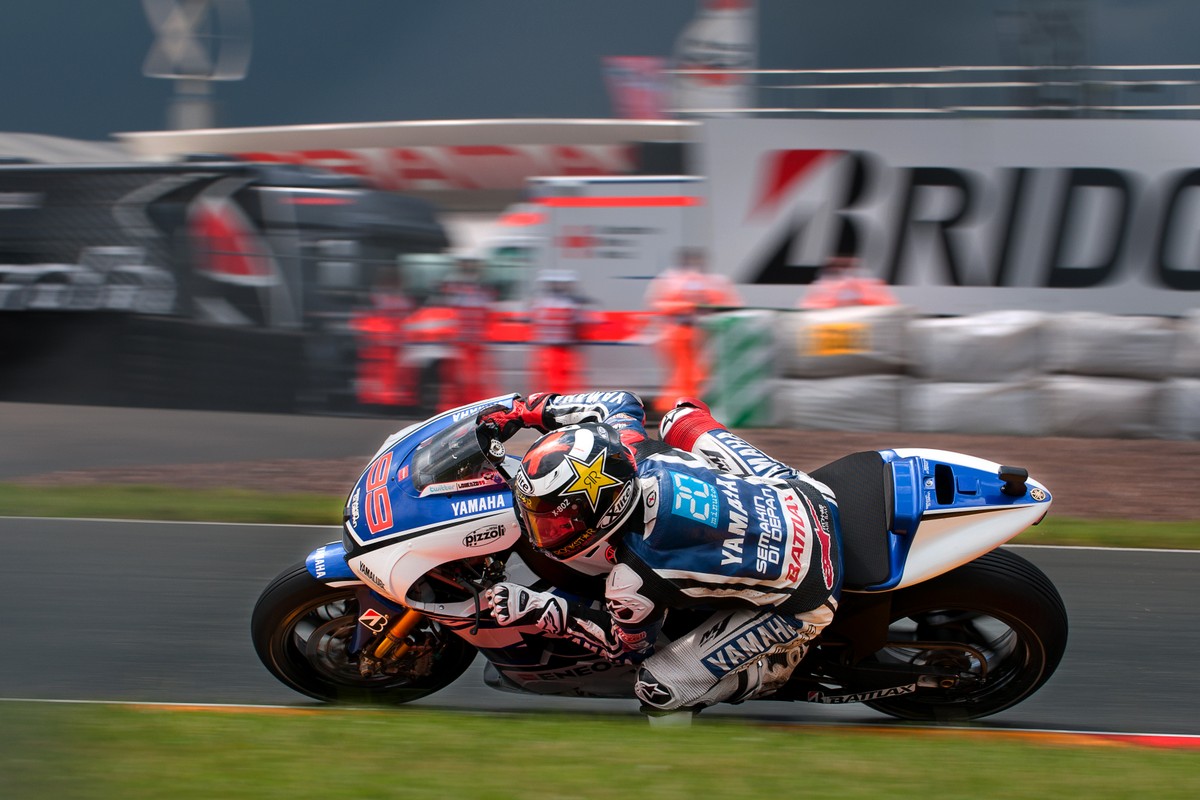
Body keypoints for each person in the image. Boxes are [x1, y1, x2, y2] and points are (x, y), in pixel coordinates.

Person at [477, 390, 842, 717]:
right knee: (682, 416)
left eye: (558, 522)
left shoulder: (631, 580)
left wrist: (540, 608)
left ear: (605, 513)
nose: (543, 531)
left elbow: (625, 649)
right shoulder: (633, 449)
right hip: (808, 496)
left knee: (656, 687)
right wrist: (524, 412)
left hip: (811, 593)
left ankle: (772, 669)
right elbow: (618, 402)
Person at [643, 247, 741, 416]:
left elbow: (728, 305)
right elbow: (660, 306)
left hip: (699, 335)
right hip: (679, 336)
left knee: (695, 375)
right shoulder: (672, 281)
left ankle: (686, 407)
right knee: (682, 375)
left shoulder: (710, 282)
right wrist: (691, 306)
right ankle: (679, 408)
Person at [438, 254, 496, 409]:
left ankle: (475, 406)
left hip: (475, 344)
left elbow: (486, 316)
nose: (469, 268)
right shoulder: (453, 287)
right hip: (459, 343)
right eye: (465, 264)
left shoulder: (483, 291)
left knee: (475, 378)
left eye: (472, 264)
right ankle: (457, 407)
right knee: (457, 378)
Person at [528, 270, 588, 395]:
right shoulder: (571, 304)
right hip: (564, 350)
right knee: (563, 384)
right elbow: (580, 324)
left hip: (545, 350)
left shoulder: (539, 303)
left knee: (544, 383)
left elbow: (533, 323)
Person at [797, 253, 898, 310]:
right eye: (837, 269)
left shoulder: (872, 287)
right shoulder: (820, 289)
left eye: (849, 267)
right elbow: (808, 310)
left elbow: (888, 309)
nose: (845, 275)